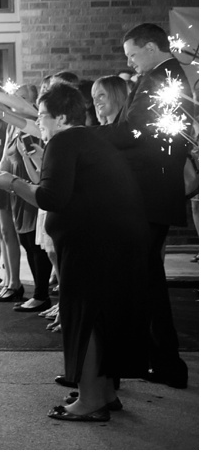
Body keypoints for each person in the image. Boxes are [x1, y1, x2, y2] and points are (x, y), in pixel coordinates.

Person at [0, 84, 149, 421]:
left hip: (91, 243)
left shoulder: (64, 142)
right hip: (112, 240)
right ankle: (103, 392)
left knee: (85, 319)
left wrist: (12, 184)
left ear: (61, 118)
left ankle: (91, 401)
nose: (39, 122)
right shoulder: (89, 138)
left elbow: (52, 198)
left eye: (42, 116)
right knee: (101, 319)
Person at [93, 23, 191, 389]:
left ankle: (161, 360)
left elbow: (135, 132)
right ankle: (159, 360)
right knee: (147, 278)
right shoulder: (166, 75)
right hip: (154, 191)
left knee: (144, 280)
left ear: (151, 47)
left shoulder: (161, 78)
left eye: (133, 54)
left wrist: (85, 137)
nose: (130, 62)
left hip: (149, 192)